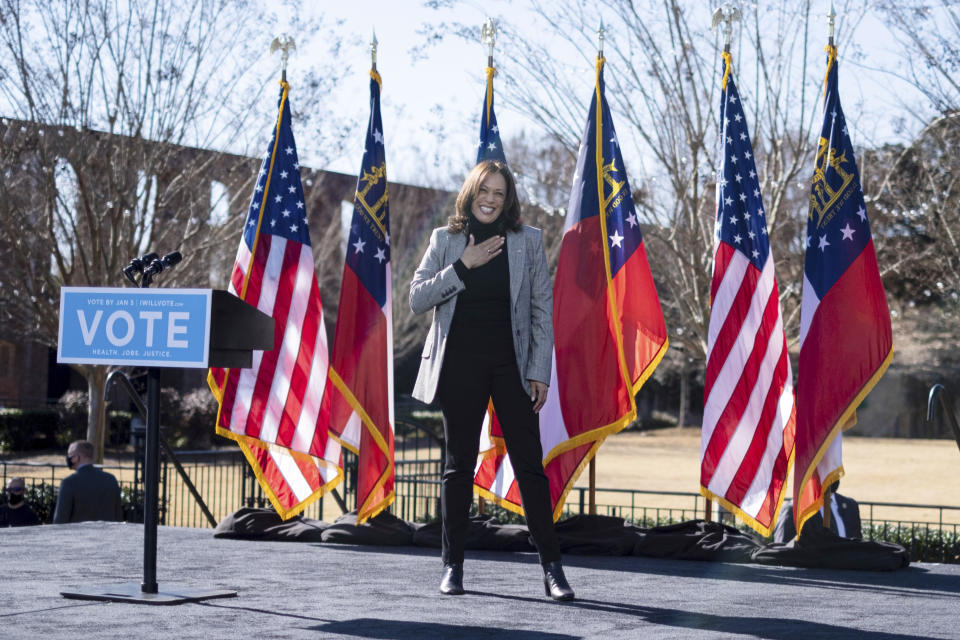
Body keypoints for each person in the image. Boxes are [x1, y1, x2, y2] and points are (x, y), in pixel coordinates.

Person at [409, 160, 574, 601]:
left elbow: (541, 308)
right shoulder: (445, 241)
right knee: (458, 467)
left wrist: (539, 371)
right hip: (459, 365)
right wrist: (463, 265)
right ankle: (452, 567)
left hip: (512, 367)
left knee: (530, 468)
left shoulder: (528, 241)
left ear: (508, 199)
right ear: (471, 191)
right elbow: (416, 298)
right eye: (485, 190)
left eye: (500, 193)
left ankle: (553, 570)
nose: (491, 199)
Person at [52, 440, 124, 524]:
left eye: (70, 455)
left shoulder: (69, 483)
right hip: (107, 535)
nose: (68, 458)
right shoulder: (111, 480)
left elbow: (60, 520)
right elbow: (118, 517)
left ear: (76, 457)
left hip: (77, 535)